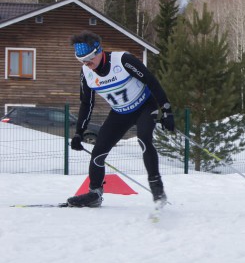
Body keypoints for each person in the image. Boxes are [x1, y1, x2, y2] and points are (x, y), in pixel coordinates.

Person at [67, 30, 174, 207]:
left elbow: (151, 81)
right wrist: (79, 132)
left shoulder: (122, 60)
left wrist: (167, 110)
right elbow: (87, 103)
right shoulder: (86, 73)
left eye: (89, 58)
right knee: (97, 153)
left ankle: (157, 189)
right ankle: (95, 194)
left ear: (98, 51)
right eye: (81, 60)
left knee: (144, 139)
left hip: (144, 106)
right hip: (120, 113)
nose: (87, 63)